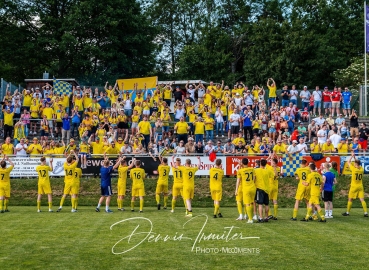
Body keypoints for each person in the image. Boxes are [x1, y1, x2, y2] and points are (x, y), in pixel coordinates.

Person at [235, 158, 256, 223]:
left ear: (242, 163)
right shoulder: (252, 169)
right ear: (248, 162)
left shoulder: (240, 171)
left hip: (246, 188)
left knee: (247, 203)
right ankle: (251, 216)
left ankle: (250, 219)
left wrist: (236, 190)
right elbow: (255, 178)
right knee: (252, 202)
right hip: (253, 187)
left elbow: (238, 181)